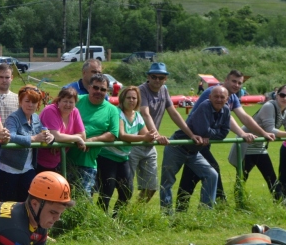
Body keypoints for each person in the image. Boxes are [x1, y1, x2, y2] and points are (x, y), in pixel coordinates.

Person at [177, 70, 272, 211]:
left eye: (240, 83)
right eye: (234, 81)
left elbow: (244, 117)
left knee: (191, 175)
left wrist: (264, 133)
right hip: (194, 139)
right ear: (226, 80)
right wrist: (242, 134)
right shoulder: (214, 94)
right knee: (212, 169)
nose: (237, 85)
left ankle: (181, 210)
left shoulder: (231, 98)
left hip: (203, 142)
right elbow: (228, 120)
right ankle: (220, 205)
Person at [159, 86, 252, 212]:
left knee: (212, 175)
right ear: (210, 97)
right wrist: (210, 133)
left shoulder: (226, 110)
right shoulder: (204, 106)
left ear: (227, 99)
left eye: (222, 97)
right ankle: (167, 214)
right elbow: (203, 130)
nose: (219, 99)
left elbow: (224, 133)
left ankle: (205, 211)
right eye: (216, 96)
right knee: (167, 181)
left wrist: (209, 134)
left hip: (194, 151)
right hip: (178, 146)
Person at [229, 85, 286, 198]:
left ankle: (280, 205)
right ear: (276, 95)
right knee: (242, 178)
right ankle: (239, 206)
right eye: (282, 95)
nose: (285, 98)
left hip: (260, 147)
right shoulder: (268, 106)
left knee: (271, 178)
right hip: (246, 144)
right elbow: (270, 130)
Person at [135, 62, 198, 202]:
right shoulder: (141, 90)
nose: (157, 80)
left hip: (149, 143)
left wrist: (190, 134)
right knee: (124, 185)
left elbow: (174, 114)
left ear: (165, 79)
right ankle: (117, 217)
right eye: (154, 76)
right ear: (148, 77)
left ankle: (132, 214)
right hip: (133, 141)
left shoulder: (164, 90)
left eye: (161, 77)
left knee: (151, 188)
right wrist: (156, 134)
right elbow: (145, 113)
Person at [96, 86, 155, 216]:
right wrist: (144, 137)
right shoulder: (117, 113)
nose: (131, 100)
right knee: (107, 190)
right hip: (108, 157)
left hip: (123, 157)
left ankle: (116, 217)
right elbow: (121, 135)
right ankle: (101, 218)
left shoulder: (138, 116)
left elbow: (146, 135)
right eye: (128, 97)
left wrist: (154, 137)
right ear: (122, 98)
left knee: (127, 191)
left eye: (134, 98)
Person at [66, 73, 119, 196]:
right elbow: (54, 108)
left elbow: (113, 134)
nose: (98, 91)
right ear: (89, 87)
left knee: (84, 200)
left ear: (107, 91)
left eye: (103, 89)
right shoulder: (76, 100)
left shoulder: (112, 110)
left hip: (88, 162)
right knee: (61, 198)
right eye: (95, 87)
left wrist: (92, 140)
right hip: (65, 158)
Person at [0, 86, 53, 202]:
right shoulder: (13, 118)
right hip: (10, 168)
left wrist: (50, 136)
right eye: (27, 101)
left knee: (26, 203)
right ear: (20, 102)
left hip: (28, 168)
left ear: (38, 104)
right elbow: (10, 136)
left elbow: (42, 132)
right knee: (8, 205)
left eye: (34, 102)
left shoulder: (36, 118)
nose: (30, 105)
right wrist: (33, 138)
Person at [37, 88, 86, 174]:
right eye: (65, 101)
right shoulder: (50, 110)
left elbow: (83, 135)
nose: (68, 104)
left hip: (59, 161)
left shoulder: (75, 112)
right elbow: (56, 136)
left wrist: (60, 143)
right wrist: (76, 139)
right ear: (59, 101)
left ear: (75, 104)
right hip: (39, 161)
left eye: (71, 102)